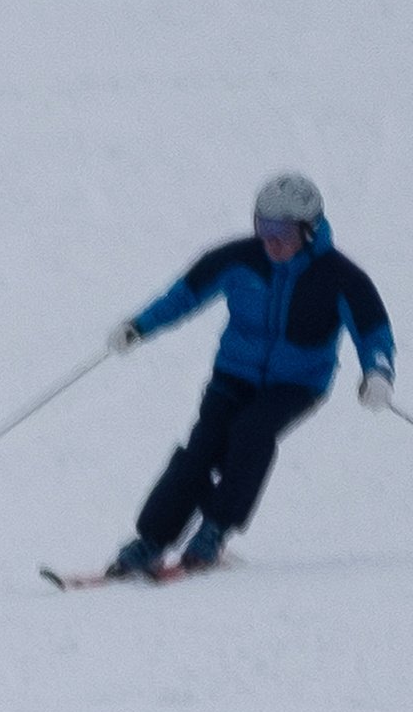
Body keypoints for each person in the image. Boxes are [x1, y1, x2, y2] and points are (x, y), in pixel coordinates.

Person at [94, 172, 397, 576]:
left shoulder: (340, 278)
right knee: (202, 449)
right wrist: (139, 326)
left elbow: (374, 333)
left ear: (309, 231)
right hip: (234, 375)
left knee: (252, 433)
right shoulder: (238, 259)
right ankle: (150, 540)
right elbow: (184, 296)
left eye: (283, 232)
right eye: (263, 227)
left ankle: (214, 530)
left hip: (297, 383)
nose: (270, 242)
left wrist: (377, 374)